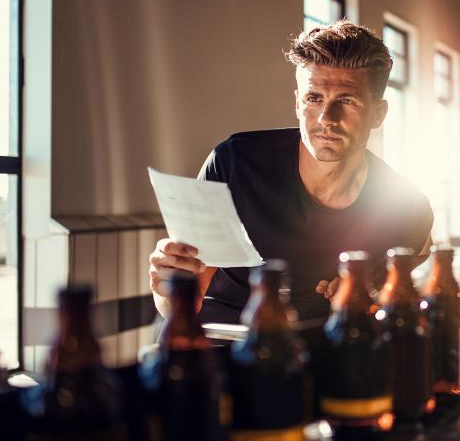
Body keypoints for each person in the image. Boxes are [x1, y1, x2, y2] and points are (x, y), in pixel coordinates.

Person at [147, 21, 433, 325]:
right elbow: (181, 305)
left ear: (378, 113)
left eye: (346, 101)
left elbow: (413, 267)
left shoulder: (406, 208)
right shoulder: (236, 163)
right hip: (220, 343)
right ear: (297, 103)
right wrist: (167, 287)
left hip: (319, 357)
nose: (327, 119)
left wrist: (373, 292)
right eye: (314, 99)